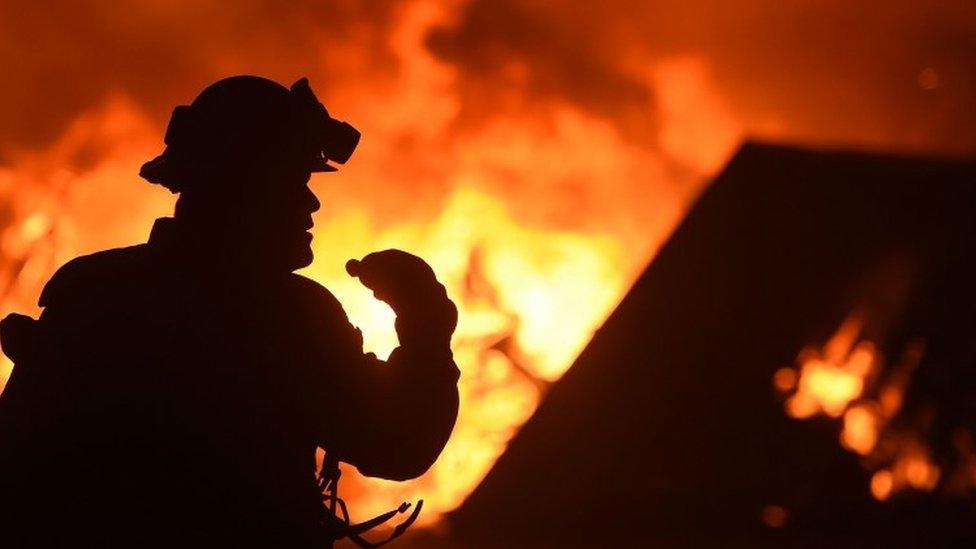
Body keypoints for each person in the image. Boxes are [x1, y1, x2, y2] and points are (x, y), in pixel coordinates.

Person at [0, 75, 459, 548]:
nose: (311, 201)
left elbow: (16, 470)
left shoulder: (90, 290)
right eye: (291, 180)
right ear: (244, 185)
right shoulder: (290, 317)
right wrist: (426, 328)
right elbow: (396, 442)